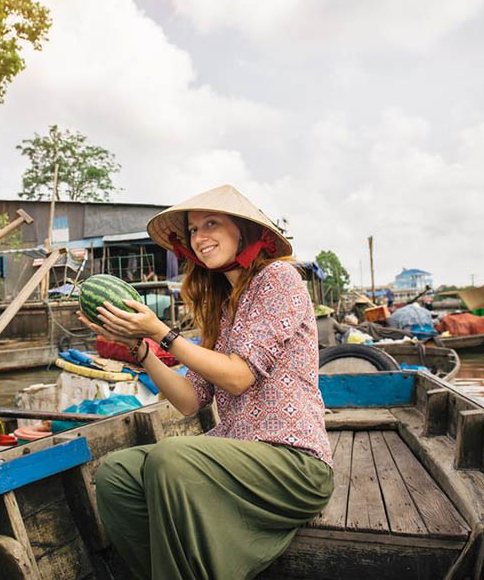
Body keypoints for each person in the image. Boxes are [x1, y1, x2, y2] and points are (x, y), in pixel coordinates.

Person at [80, 185, 334, 579]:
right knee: (117, 474)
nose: (199, 238)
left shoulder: (279, 279)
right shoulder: (222, 306)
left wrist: (162, 332)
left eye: (211, 224)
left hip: (294, 464)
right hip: (236, 457)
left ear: (245, 232)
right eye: (194, 230)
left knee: (171, 458)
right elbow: (188, 400)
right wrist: (140, 347)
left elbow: (236, 377)